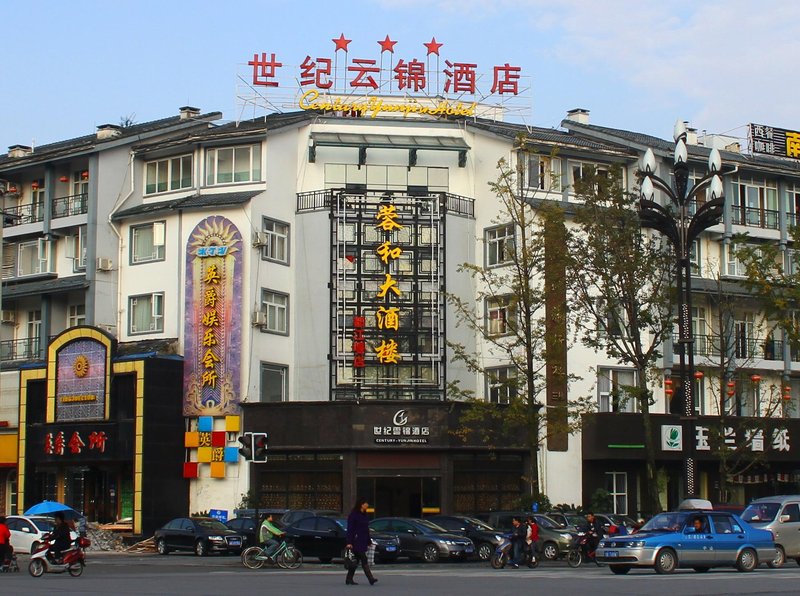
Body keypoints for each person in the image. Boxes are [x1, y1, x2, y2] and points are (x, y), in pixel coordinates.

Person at [345, 498, 377, 586]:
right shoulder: (354, 515)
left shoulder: (365, 515)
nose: (367, 505)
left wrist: (369, 541)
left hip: (362, 540)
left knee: (355, 561)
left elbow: (366, 530)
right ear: (361, 504)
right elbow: (350, 529)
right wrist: (349, 542)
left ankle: (349, 579)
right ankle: (371, 578)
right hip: (355, 541)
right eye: (366, 503)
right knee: (364, 559)